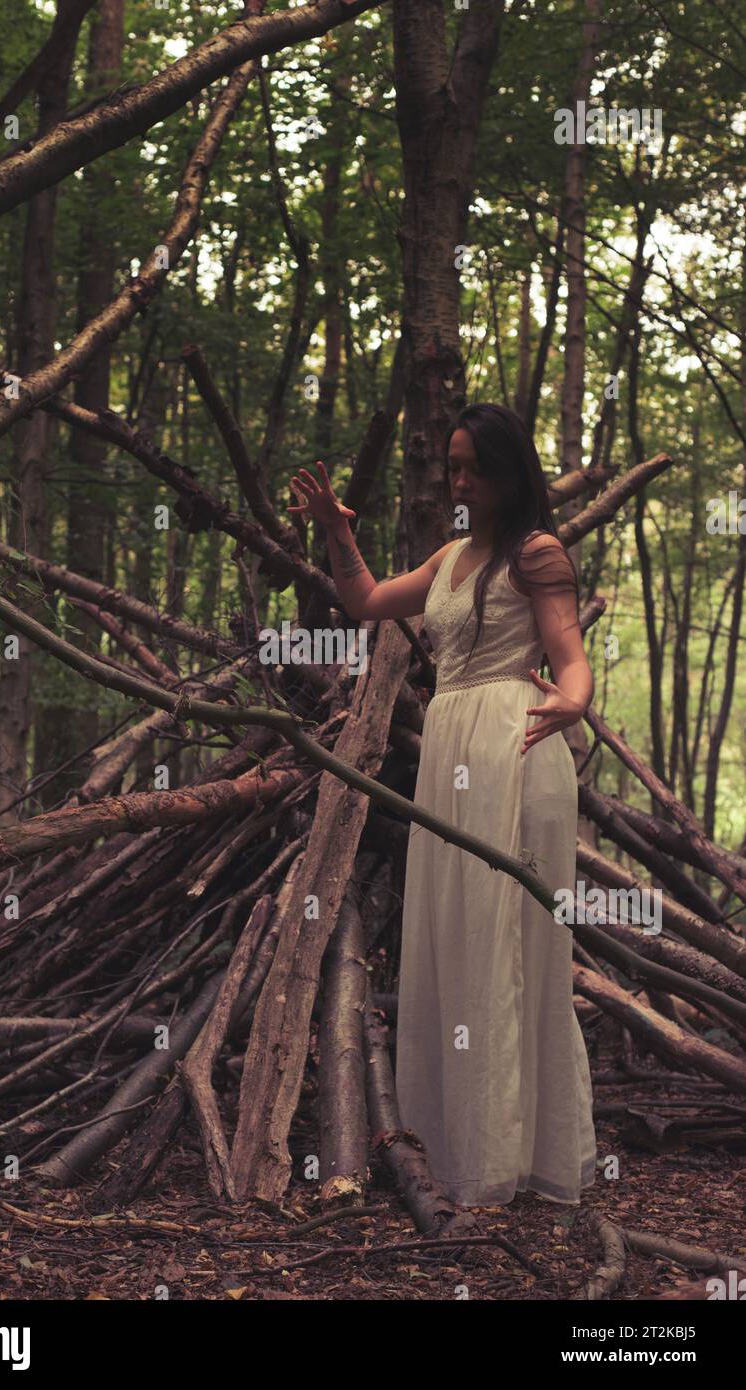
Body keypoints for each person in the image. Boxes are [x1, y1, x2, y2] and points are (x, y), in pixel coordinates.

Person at [287, 402, 597, 1206]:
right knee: (456, 932)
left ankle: (515, 1160)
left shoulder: (537, 553)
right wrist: (337, 530)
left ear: (507, 471)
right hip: (452, 750)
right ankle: (461, 1145)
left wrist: (570, 702)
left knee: (509, 937)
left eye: (473, 467)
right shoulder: (452, 556)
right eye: (451, 465)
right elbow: (364, 601)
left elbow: (570, 656)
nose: (459, 480)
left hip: (514, 745)